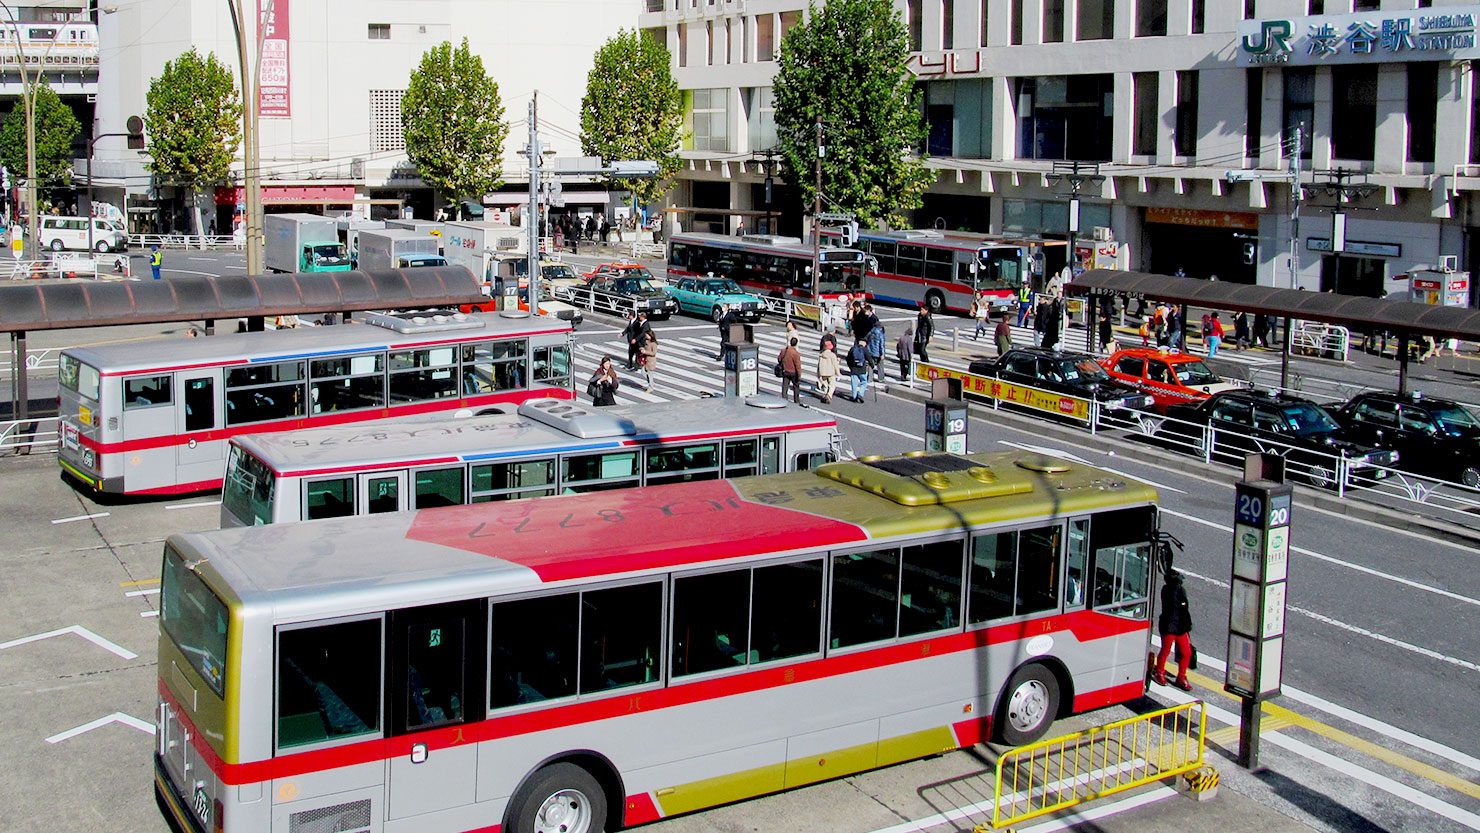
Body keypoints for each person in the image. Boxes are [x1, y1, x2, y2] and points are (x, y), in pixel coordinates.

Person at [1154, 570, 1194, 691]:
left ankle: (1181, 676)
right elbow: (1181, 609)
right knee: (1166, 650)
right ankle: (1159, 672)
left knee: (1186, 652)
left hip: (1179, 626)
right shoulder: (1172, 591)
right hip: (1170, 626)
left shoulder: (1173, 590)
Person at [778, 337, 803, 403]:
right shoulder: (796, 353)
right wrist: (799, 375)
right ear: (796, 344)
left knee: (785, 386)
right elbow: (798, 365)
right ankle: (796, 401)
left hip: (785, 371)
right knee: (796, 387)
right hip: (793, 372)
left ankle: (784, 399)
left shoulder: (784, 350)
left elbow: (779, 359)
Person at [865, 318, 886, 383]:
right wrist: (882, 353)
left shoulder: (870, 331)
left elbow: (866, 340)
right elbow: (881, 344)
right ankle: (881, 378)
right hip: (878, 353)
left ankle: (869, 378)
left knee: (870, 365)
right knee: (880, 366)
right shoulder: (880, 333)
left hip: (870, 351)